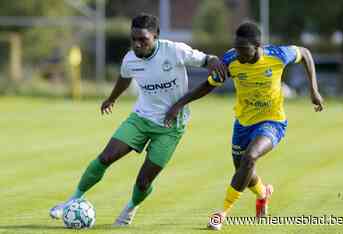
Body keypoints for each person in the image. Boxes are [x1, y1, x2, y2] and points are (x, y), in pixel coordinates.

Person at [49, 13, 225, 226]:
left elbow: (208, 59)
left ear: (156, 36)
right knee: (105, 157)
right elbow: (124, 77)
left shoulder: (175, 51)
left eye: (143, 39)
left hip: (171, 127)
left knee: (143, 181)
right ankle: (72, 200)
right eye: (134, 39)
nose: (138, 44)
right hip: (140, 119)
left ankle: (131, 208)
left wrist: (215, 63)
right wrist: (112, 98)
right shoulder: (130, 59)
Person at [164, 22, 324, 230]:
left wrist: (314, 90)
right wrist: (179, 104)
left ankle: (221, 213)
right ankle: (263, 194)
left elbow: (305, 53)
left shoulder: (277, 55)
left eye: (243, 49)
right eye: (236, 48)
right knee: (243, 169)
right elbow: (208, 85)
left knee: (250, 157)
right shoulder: (231, 59)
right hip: (243, 123)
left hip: (272, 121)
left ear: (258, 46)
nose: (238, 53)